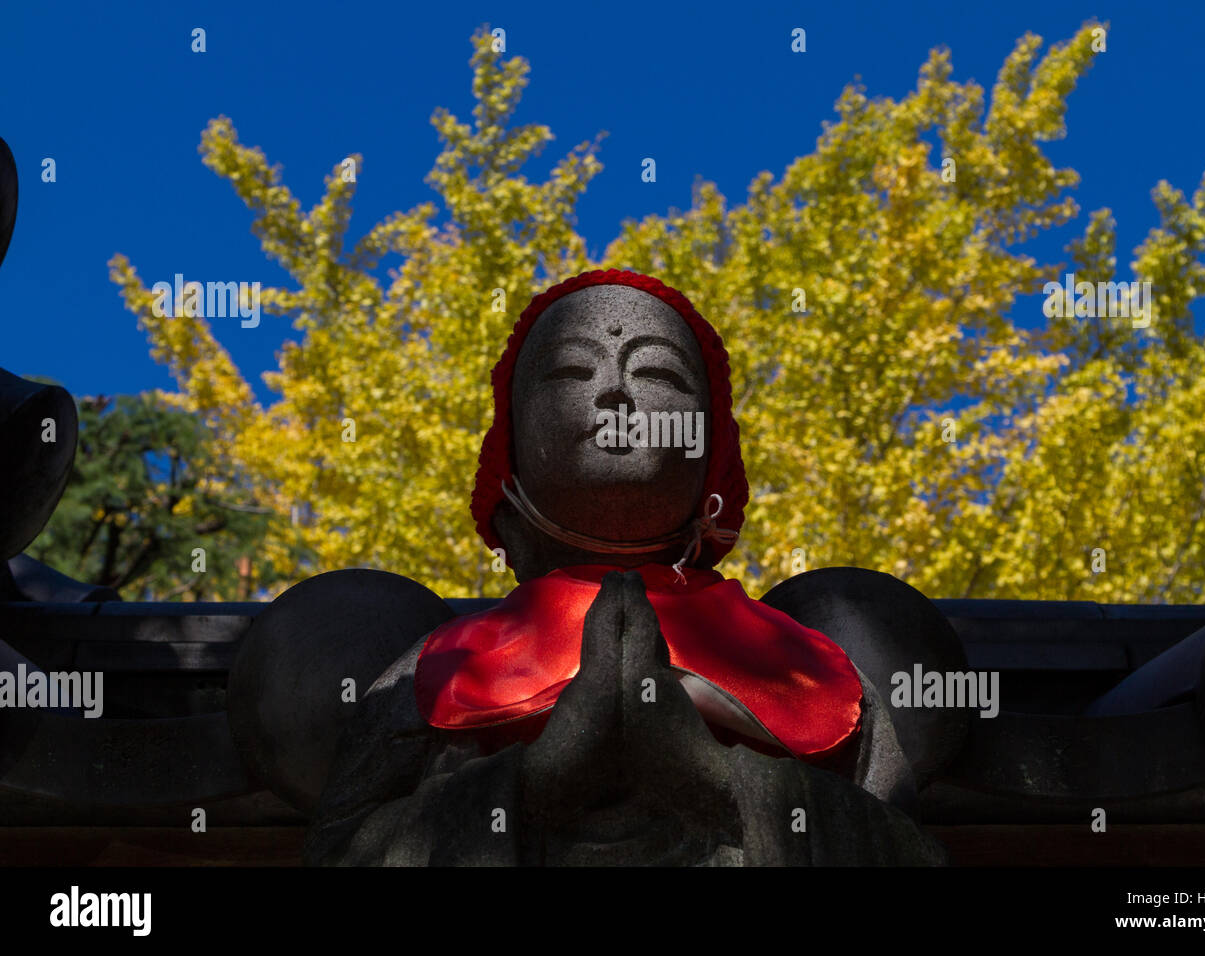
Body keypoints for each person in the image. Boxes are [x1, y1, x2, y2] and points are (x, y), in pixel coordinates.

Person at [304, 269, 945, 865]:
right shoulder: (443, 666)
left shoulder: (808, 667)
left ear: (712, 453)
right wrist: (535, 783)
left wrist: (716, 781)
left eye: (659, 376)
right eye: (571, 371)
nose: (615, 391)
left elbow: (909, 852)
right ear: (514, 456)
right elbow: (340, 853)